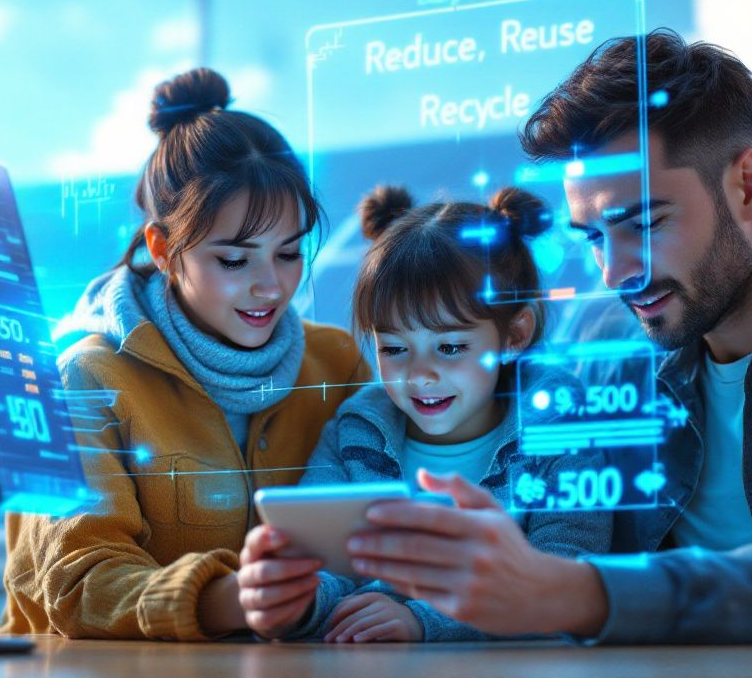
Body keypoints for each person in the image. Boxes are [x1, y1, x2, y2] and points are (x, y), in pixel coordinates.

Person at [343, 29, 752, 643]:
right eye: (593, 237)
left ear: (748, 184)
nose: (615, 272)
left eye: (643, 223)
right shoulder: (607, 352)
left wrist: (571, 592)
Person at [0, 68, 370, 640]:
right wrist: (226, 601)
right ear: (164, 248)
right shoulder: (84, 377)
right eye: (234, 260)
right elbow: (74, 584)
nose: (271, 286)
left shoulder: (337, 363)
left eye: (289, 254)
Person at [237, 185, 610, 643]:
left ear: (514, 335)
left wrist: (424, 619)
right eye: (394, 348)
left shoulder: (559, 425)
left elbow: (565, 576)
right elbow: (322, 565)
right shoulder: (357, 431)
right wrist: (291, 603)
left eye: (450, 347)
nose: (420, 375)